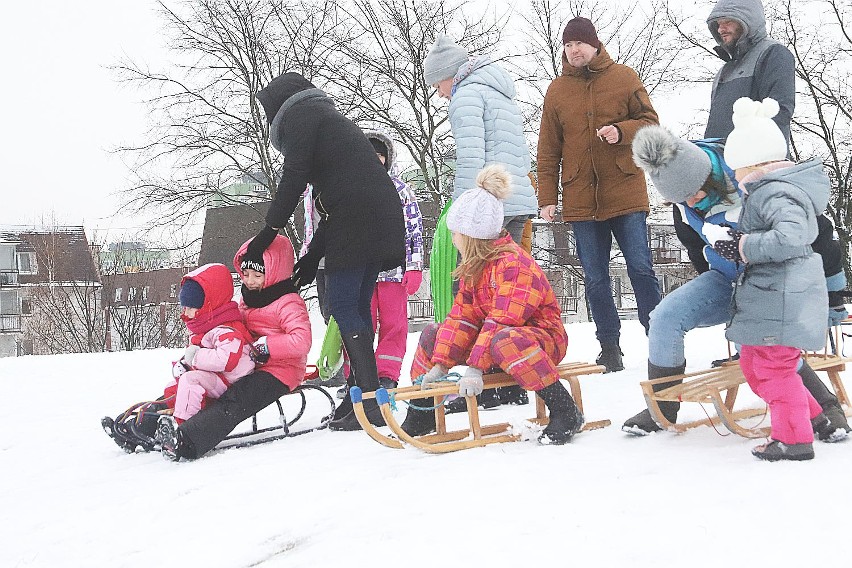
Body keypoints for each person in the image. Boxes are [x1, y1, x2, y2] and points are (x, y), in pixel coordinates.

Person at [623, 121, 849, 441]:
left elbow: (821, 234)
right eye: (680, 200)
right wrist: (719, 299)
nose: (689, 204)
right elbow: (697, 251)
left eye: (693, 195)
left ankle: (826, 407)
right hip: (724, 278)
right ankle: (663, 408)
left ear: (710, 177)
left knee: (761, 342)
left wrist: (833, 291)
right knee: (665, 317)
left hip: (772, 280)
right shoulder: (683, 200)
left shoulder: (751, 174)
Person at [244, 72, 405, 432]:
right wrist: (313, 254)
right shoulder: (329, 121)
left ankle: (370, 398)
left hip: (359, 223)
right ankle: (357, 398)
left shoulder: (302, 117)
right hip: (374, 218)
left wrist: (267, 232)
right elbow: (339, 200)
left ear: (279, 107)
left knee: (346, 307)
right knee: (358, 307)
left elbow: (294, 177)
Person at [397, 165, 583, 445]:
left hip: (539, 342)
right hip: (496, 346)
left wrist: (474, 368)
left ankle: (565, 409)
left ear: (472, 235)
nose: (453, 239)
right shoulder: (476, 268)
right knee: (433, 334)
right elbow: (462, 318)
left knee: (505, 339)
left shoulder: (514, 265)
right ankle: (421, 412)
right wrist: (441, 364)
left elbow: (503, 320)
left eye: (456, 233)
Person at [537, 16, 662, 373]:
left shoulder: (624, 77)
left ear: (595, 45)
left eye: (579, 43)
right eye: (568, 45)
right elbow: (548, 150)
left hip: (625, 191)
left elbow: (651, 122)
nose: (573, 50)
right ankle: (609, 347)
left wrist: (622, 132)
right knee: (595, 276)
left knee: (640, 268)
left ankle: (660, 338)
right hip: (580, 199)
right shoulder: (557, 90)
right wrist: (547, 197)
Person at [714, 97, 833, 460]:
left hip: (783, 296)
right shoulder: (767, 192)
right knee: (753, 364)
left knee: (773, 369)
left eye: (735, 170)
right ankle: (815, 418)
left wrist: (744, 245)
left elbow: (792, 236)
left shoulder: (776, 191)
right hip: (771, 296)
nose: (733, 178)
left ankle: (794, 440)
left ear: (752, 164)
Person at [155, 234, 312, 460]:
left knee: (236, 399)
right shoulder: (248, 298)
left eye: (258, 275)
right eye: (246, 274)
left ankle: (188, 439)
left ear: (275, 272)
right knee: (196, 380)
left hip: (281, 371)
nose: (250, 281)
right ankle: (147, 422)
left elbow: (301, 340)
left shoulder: (288, 302)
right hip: (245, 363)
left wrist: (265, 346)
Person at [423, 33, 539, 245]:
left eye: (437, 86)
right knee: (506, 273)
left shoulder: (465, 97)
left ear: (448, 74)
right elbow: (523, 158)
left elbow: (470, 158)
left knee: (470, 273)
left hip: (489, 207)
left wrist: (461, 210)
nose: (439, 94)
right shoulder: (501, 93)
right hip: (518, 199)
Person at [364, 130, 424, 389]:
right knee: (361, 324)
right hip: (361, 271)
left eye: (379, 155)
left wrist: (414, 266)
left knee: (394, 324)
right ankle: (359, 373)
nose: (374, 160)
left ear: (387, 159)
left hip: (393, 271)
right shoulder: (351, 188)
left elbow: (414, 230)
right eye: (369, 155)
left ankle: (387, 374)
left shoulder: (401, 190)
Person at [166, 263, 255, 423]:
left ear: (207, 306)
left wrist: (194, 357)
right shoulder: (207, 325)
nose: (185, 313)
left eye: (190, 308)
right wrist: (185, 363)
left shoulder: (227, 330)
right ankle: (156, 421)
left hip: (231, 380)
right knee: (173, 386)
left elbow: (226, 360)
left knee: (189, 381)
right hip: (216, 376)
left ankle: (184, 427)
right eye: (184, 307)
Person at [704, 0, 795, 146]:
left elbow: (779, 113)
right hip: (722, 162)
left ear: (747, 20)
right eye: (718, 24)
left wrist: (754, 157)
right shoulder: (724, 71)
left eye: (727, 21)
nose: (721, 29)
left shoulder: (772, 53)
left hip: (759, 162)